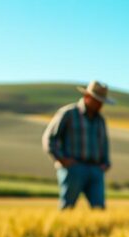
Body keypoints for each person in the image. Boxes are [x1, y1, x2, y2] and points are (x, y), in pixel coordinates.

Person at [42, 80, 115, 209]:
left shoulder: (101, 120)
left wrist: (105, 164)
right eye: (97, 100)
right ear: (87, 97)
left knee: (99, 209)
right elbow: (49, 138)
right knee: (67, 208)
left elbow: (104, 144)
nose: (100, 105)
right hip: (74, 168)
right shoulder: (68, 113)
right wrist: (62, 159)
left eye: (101, 102)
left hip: (96, 169)